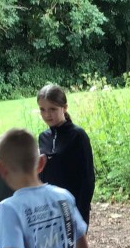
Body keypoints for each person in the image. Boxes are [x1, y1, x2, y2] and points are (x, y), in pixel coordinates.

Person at [37, 84, 95, 226]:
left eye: (52, 109)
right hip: (49, 208)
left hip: (73, 207)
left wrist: (80, 213)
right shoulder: (43, 137)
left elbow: (87, 178)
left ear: (64, 108)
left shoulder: (77, 135)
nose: (47, 115)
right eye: (42, 109)